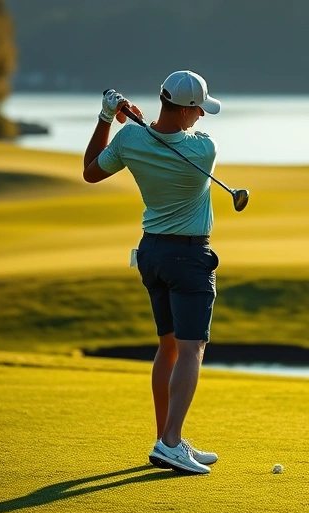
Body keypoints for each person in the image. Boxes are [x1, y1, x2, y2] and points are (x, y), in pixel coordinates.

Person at [82, 70, 223, 474]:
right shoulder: (203, 150)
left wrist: (107, 117)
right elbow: (177, 136)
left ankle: (166, 440)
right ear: (184, 110)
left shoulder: (130, 139)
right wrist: (140, 123)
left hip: (153, 254)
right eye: (198, 109)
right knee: (192, 348)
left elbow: (91, 170)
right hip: (189, 258)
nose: (201, 116)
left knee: (169, 347)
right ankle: (171, 443)